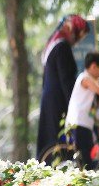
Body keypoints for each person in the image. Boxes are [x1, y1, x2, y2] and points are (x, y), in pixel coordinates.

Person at [36, 14, 89, 161]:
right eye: (78, 36)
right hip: (58, 102)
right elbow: (66, 80)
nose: (77, 41)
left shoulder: (53, 45)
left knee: (50, 140)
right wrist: (75, 105)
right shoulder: (62, 47)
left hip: (49, 100)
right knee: (59, 142)